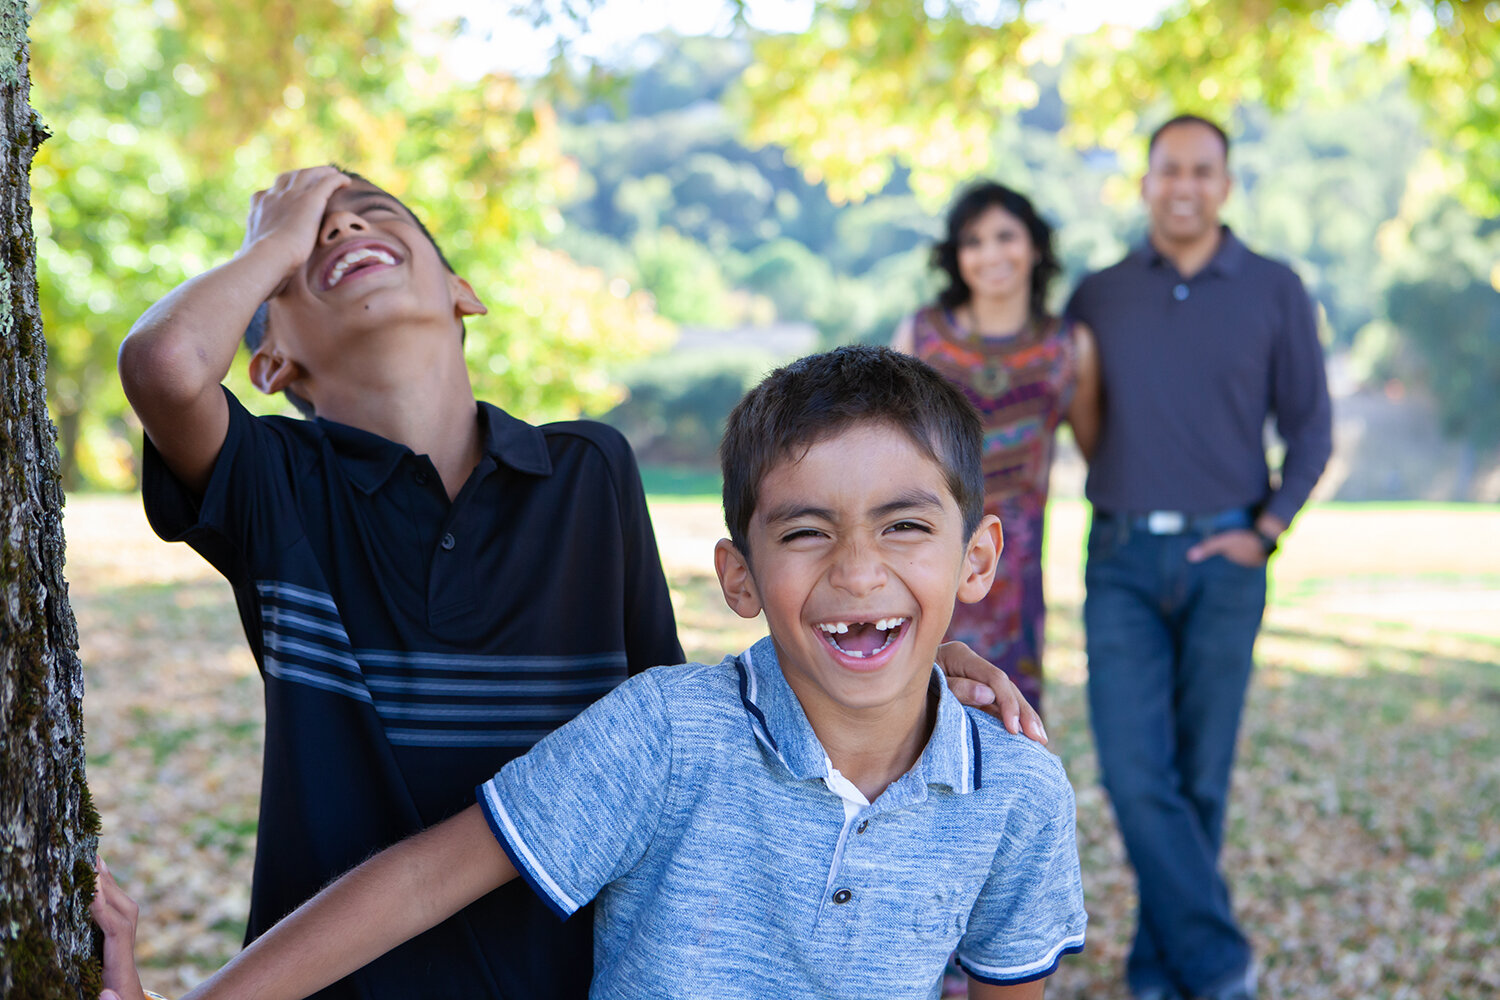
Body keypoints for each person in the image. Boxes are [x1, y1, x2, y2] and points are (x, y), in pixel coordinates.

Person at [116, 167, 1045, 999]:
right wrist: (271, 236)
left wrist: (912, 654)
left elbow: (695, 713)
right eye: (304, 245)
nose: (338, 231)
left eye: (368, 212)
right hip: (338, 978)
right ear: (271, 360)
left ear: (461, 292)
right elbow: (165, 366)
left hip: (566, 972)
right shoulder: (275, 480)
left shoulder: (589, 468)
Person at [1066, 115, 1333, 1000]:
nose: (1184, 185)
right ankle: (1220, 965)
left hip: (1228, 560)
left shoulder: (1273, 288)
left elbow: (1312, 429)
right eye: (1168, 169)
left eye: (1203, 170)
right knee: (1138, 777)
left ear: (1225, 183)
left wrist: (1266, 531)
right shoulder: (1099, 294)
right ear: (1144, 181)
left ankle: (1157, 969)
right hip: (1121, 558)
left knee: (1201, 781)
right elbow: (1075, 411)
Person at [894, 181, 1100, 717]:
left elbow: (1098, 447)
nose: (990, 254)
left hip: (1017, 565)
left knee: (1008, 714)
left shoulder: (1068, 346)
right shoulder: (920, 337)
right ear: (956, 256)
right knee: (911, 707)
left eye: (1005, 236)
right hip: (924, 550)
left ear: (1034, 246)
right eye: (973, 241)